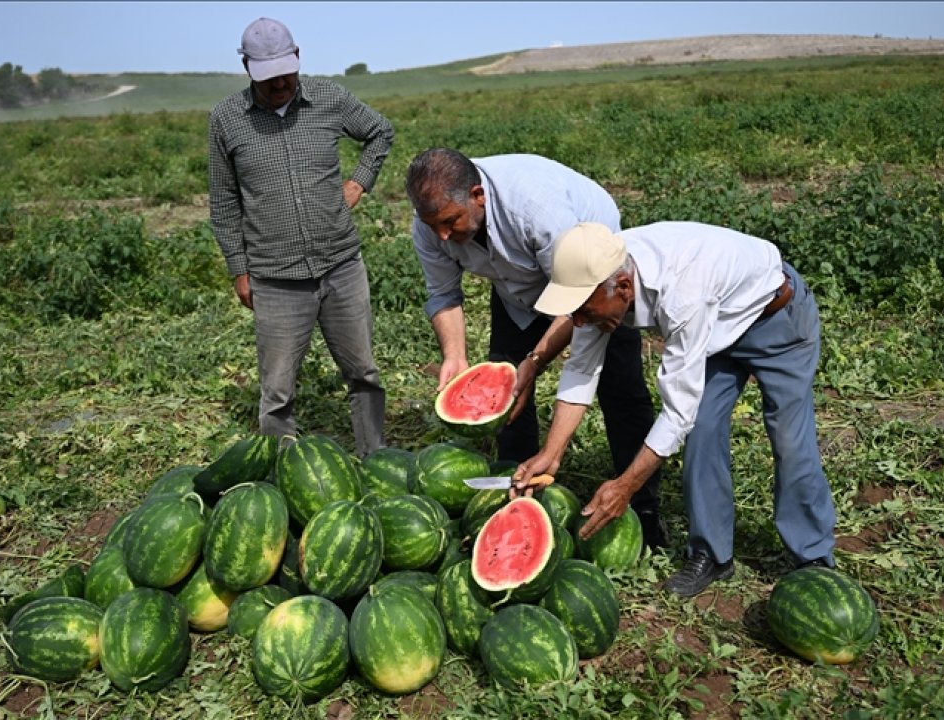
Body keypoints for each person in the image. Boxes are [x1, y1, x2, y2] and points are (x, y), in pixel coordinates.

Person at [514, 221, 837, 597]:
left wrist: (626, 486)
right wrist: (551, 454)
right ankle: (711, 555)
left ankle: (813, 556)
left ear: (623, 287)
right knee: (701, 431)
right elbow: (582, 369)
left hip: (775, 320)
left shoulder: (683, 290)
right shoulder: (599, 278)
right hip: (715, 333)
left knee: (788, 437)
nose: (579, 322)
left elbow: (675, 413)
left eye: (584, 311)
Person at [404, 148, 667, 548]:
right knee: (509, 388)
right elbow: (443, 294)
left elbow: (575, 298)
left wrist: (537, 358)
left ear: (478, 195)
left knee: (621, 388)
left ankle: (644, 508)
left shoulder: (536, 210)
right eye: (432, 225)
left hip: (590, 281)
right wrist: (454, 356)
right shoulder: (430, 224)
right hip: (518, 288)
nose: (441, 235)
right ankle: (517, 490)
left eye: (449, 223)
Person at [208, 17, 394, 457]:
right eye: (268, 77)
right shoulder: (226, 120)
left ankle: (374, 457)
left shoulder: (328, 97)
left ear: (297, 59)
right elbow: (223, 202)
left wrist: (359, 182)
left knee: (364, 373)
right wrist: (239, 268)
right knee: (276, 392)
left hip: (341, 266)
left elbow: (380, 132)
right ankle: (283, 472)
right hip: (274, 278)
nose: (280, 84)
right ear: (247, 67)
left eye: (286, 72)